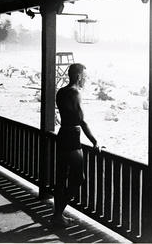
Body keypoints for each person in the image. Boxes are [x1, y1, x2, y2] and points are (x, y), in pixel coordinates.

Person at [53, 63, 101, 226]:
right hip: (72, 137)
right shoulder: (75, 92)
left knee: (60, 178)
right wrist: (95, 141)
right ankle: (58, 213)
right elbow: (81, 120)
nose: (86, 79)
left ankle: (57, 215)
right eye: (85, 76)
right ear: (79, 76)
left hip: (61, 135)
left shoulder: (61, 92)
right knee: (78, 179)